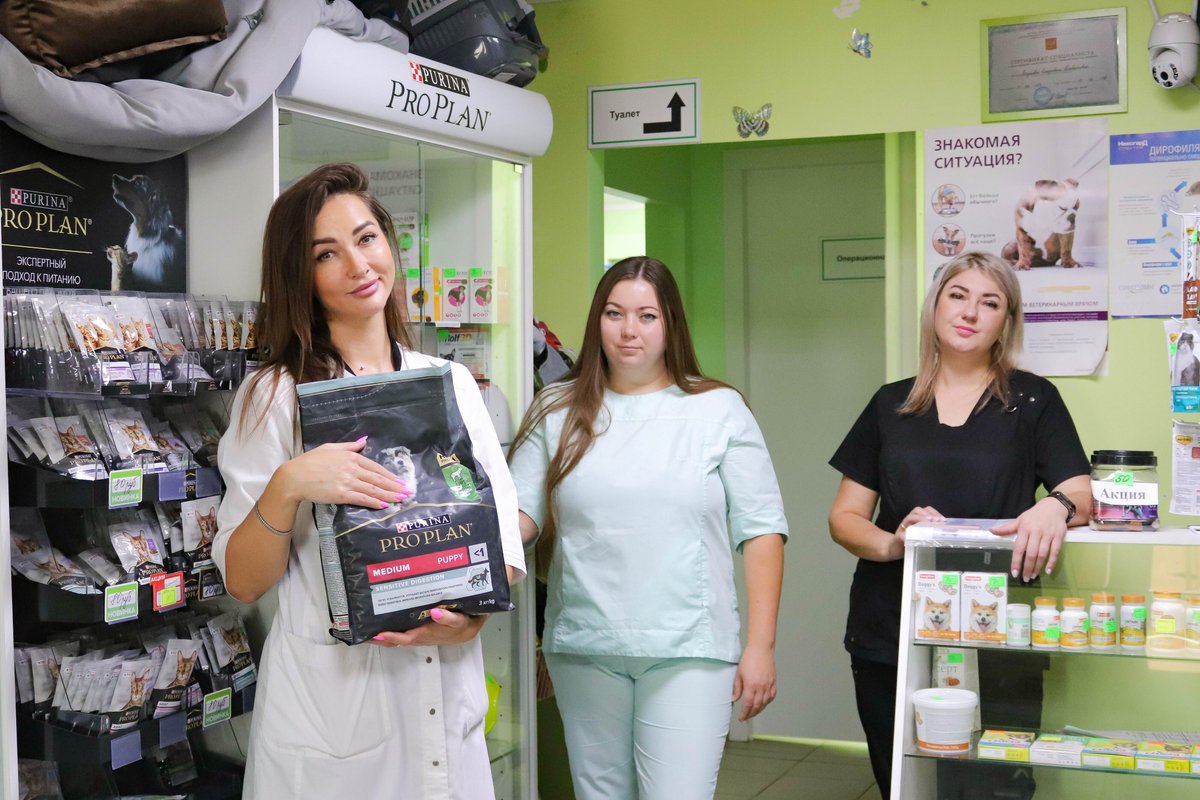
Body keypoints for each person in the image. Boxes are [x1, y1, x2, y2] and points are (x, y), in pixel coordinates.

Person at [212, 162, 525, 799]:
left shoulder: (449, 382)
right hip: (333, 720)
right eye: (326, 254)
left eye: (366, 239)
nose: (358, 266)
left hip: (446, 698)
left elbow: (502, 542)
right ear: (300, 276)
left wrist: (470, 621)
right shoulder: (274, 397)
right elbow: (243, 580)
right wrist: (289, 484)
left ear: (389, 242)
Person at [508, 256, 787, 800]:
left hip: (689, 648)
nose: (628, 330)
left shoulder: (718, 409)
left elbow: (762, 531)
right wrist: (443, 552)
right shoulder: (556, 408)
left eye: (647, 316)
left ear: (671, 324)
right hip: (586, 644)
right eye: (614, 313)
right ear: (597, 321)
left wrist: (761, 646)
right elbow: (519, 518)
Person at [827, 250, 1090, 799]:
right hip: (893, 625)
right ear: (935, 306)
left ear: (1005, 322)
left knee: (997, 783)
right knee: (904, 780)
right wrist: (896, 544)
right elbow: (845, 518)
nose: (970, 312)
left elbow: (1081, 494)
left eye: (989, 303)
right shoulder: (891, 404)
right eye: (958, 295)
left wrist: (1054, 506)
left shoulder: (1033, 399)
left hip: (1000, 628)